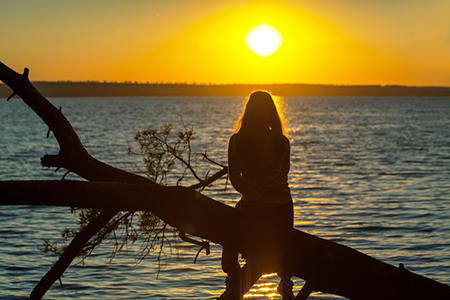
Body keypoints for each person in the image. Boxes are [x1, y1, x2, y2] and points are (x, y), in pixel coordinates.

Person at [219, 91, 294, 300]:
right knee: (287, 237)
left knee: (230, 226)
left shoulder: (237, 141)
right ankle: (286, 280)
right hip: (282, 208)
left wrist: (252, 192)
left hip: (253, 205)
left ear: (249, 112)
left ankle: (233, 273)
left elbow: (234, 178)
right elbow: (284, 175)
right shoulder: (281, 141)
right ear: (271, 113)